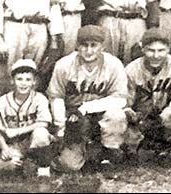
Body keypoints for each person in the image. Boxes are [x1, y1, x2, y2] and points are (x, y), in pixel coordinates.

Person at [47, 25, 128, 172]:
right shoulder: (64, 65)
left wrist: (87, 107)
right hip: (73, 119)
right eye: (84, 45)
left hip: (101, 115)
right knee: (68, 165)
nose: (89, 50)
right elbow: (56, 97)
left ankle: (108, 155)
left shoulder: (113, 64)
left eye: (94, 45)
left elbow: (120, 99)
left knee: (116, 114)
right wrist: (60, 128)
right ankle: (85, 152)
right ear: (77, 46)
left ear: (102, 46)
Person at [123, 28, 171, 162]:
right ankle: (134, 147)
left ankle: (169, 148)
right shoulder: (132, 69)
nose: (156, 55)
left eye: (161, 50)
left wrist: (170, 110)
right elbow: (124, 100)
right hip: (140, 118)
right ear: (142, 49)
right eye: (151, 50)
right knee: (128, 138)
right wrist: (129, 112)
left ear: (168, 49)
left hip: (165, 114)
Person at [0, 59, 55, 177]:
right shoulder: (3, 101)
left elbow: (44, 123)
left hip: (33, 140)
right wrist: (4, 148)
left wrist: (17, 131)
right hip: (15, 145)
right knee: (5, 167)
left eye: (28, 79)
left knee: (41, 133)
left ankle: (43, 168)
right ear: (12, 81)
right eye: (19, 79)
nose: (23, 83)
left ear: (34, 82)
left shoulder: (40, 98)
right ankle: (25, 163)